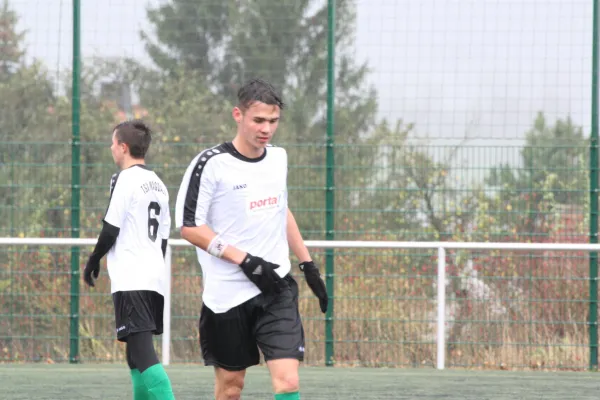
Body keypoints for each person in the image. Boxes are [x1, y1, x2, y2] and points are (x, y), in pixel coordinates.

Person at [174, 78, 328, 400]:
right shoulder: (211, 164)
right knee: (231, 389)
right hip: (227, 297)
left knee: (287, 382)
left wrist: (307, 263)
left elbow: (280, 210)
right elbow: (189, 227)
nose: (266, 129)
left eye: (273, 121)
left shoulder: (278, 158)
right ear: (238, 115)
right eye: (258, 120)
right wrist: (243, 260)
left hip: (275, 287)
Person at [83, 120, 176, 400]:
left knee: (144, 354)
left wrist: (93, 260)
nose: (111, 147)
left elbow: (111, 228)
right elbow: (162, 239)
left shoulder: (126, 179)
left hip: (132, 279)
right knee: (134, 355)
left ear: (123, 147)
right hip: (153, 278)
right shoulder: (158, 184)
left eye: (113, 143)